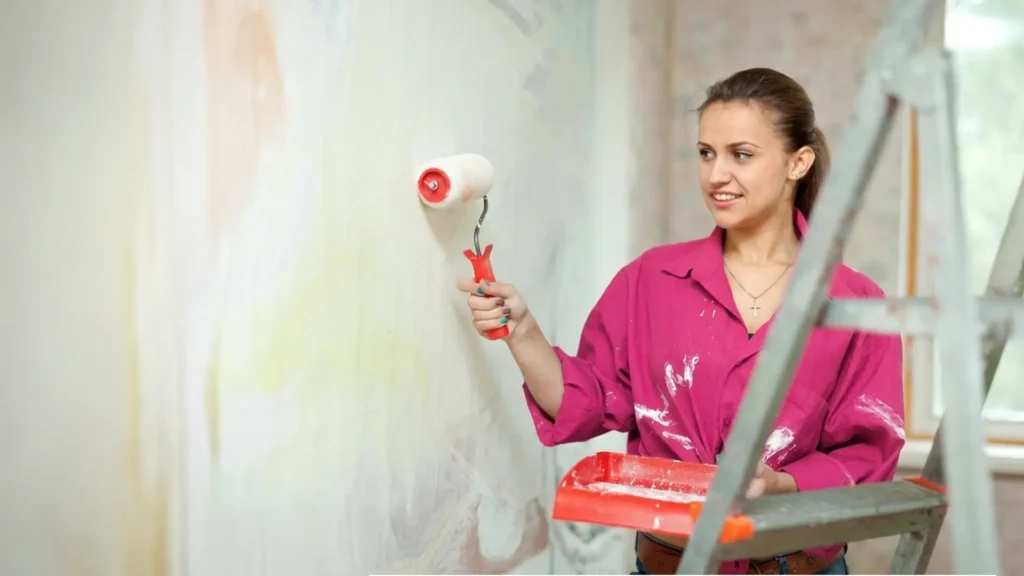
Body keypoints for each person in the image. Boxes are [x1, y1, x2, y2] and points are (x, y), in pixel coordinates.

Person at [456, 67, 905, 575]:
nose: (716, 176)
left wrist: (781, 483)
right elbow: (590, 402)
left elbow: (870, 453)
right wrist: (523, 331)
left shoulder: (853, 301)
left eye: (742, 154)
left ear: (797, 163)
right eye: (706, 153)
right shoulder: (652, 280)